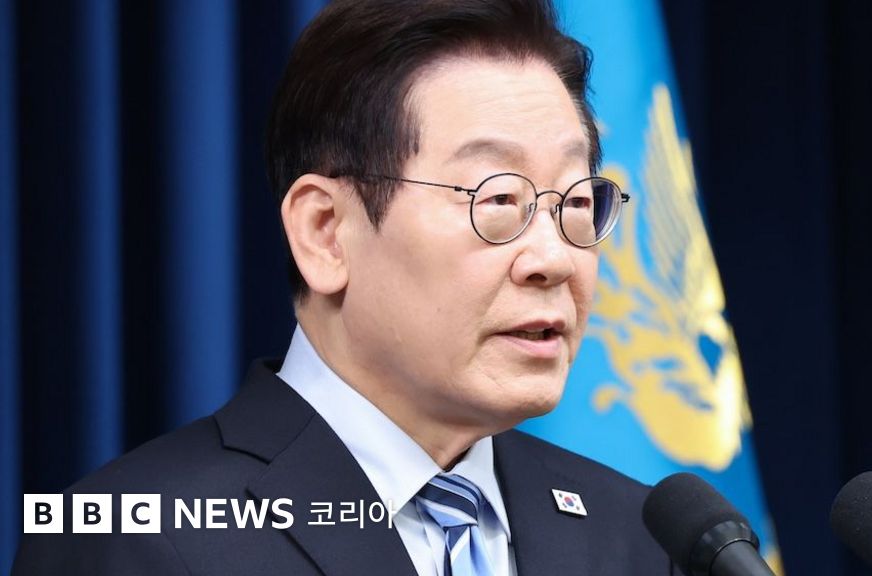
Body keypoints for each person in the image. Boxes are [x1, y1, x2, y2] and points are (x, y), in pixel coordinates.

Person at [14, 0, 675, 574]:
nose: (554, 259)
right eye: (499, 199)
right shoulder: (132, 541)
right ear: (325, 232)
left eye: (576, 203)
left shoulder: (642, 537)